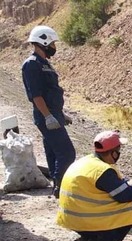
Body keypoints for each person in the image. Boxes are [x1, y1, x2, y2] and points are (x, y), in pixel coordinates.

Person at [56, 131, 132, 241]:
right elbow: (125, 195)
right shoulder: (103, 171)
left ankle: (92, 234)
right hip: (86, 221)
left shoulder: (87, 161)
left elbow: (112, 184)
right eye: (118, 151)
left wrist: (126, 183)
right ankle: (107, 237)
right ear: (113, 153)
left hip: (72, 221)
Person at [21, 25, 76, 198]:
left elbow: (50, 91)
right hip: (46, 115)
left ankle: (57, 188)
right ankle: (61, 185)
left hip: (54, 114)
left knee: (53, 151)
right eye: (52, 43)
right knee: (67, 153)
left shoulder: (44, 63)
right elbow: (36, 95)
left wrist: (60, 114)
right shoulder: (31, 64)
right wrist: (48, 116)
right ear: (43, 41)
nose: (54, 47)